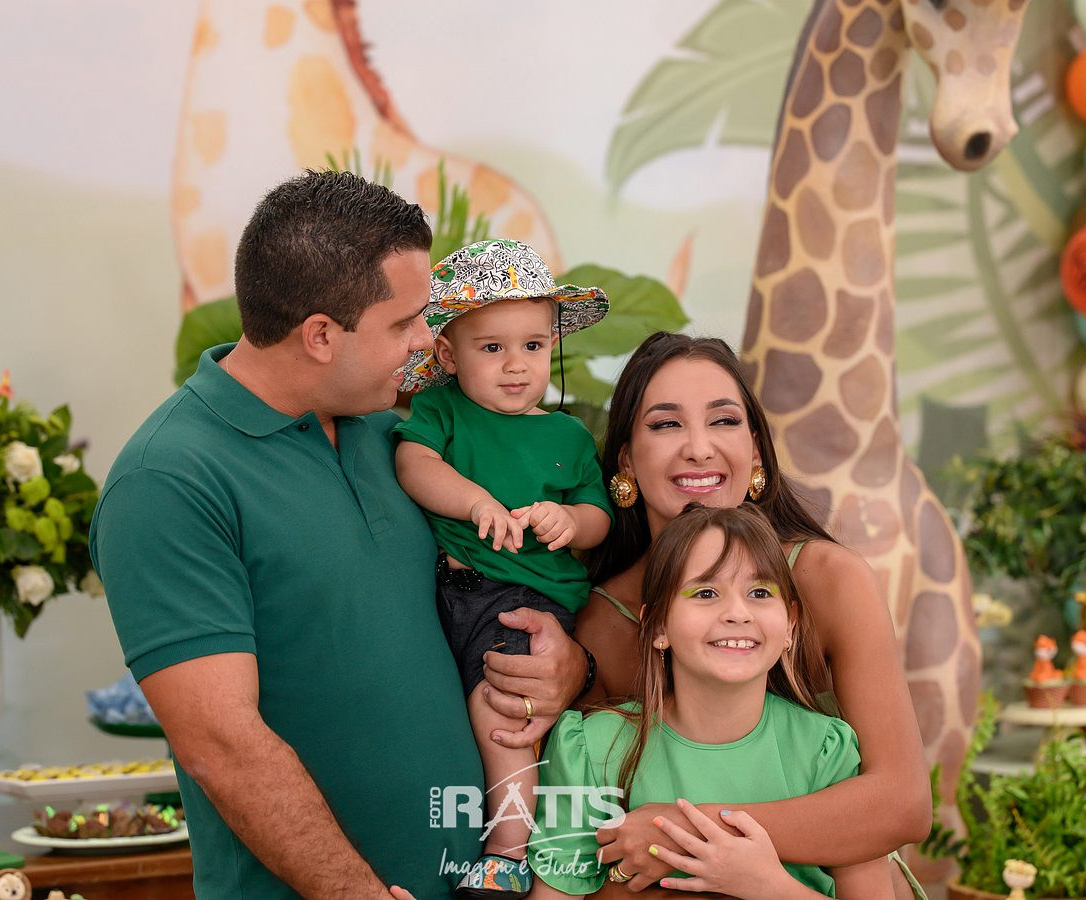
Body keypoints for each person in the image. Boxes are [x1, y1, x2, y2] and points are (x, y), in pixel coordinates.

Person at [89, 171, 590, 899]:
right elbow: (221, 744)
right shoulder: (166, 480)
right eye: (404, 323)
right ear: (321, 334)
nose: (425, 341)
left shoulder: (397, 438)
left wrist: (568, 666)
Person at [575, 333, 931, 897]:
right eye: (666, 424)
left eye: (724, 421)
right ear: (626, 461)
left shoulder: (828, 580)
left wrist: (688, 831)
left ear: (757, 451)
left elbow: (902, 805)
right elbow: (595, 840)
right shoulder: (606, 619)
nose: (699, 448)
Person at [393, 239, 613, 896]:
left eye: (533, 346)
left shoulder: (567, 436)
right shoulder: (442, 412)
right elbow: (414, 464)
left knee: (502, 709)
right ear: (448, 355)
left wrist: (570, 521)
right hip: (448, 591)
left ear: (553, 345)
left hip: (525, 598)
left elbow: (598, 515)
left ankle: (509, 848)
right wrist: (475, 501)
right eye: (492, 348)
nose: (516, 365)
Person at [527, 504, 891, 898]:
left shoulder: (825, 752)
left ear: (790, 625)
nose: (737, 613)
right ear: (658, 625)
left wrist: (766, 885)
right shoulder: (591, 749)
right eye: (706, 592)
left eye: (759, 592)